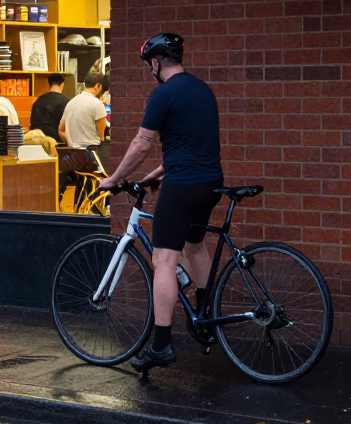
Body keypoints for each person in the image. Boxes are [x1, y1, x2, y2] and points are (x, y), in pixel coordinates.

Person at [98, 33, 223, 372]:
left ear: (155, 63)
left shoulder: (163, 93)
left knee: (163, 258)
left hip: (182, 186)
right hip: (210, 182)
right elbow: (186, 150)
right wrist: (152, 178)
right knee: (195, 247)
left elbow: (141, 143)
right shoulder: (202, 90)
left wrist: (113, 178)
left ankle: (162, 345)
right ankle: (204, 318)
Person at [59, 71, 109, 148]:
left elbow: (61, 131)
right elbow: (102, 137)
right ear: (98, 85)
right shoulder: (98, 104)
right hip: (92, 153)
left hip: (73, 154)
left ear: (84, 84)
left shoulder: (71, 103)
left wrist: (74, 144)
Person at [30, 73, 69, 141]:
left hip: (37, 141)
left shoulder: (38, 101)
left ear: (49, 83)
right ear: (62, 84)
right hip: (56, 143)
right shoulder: (66, 102)